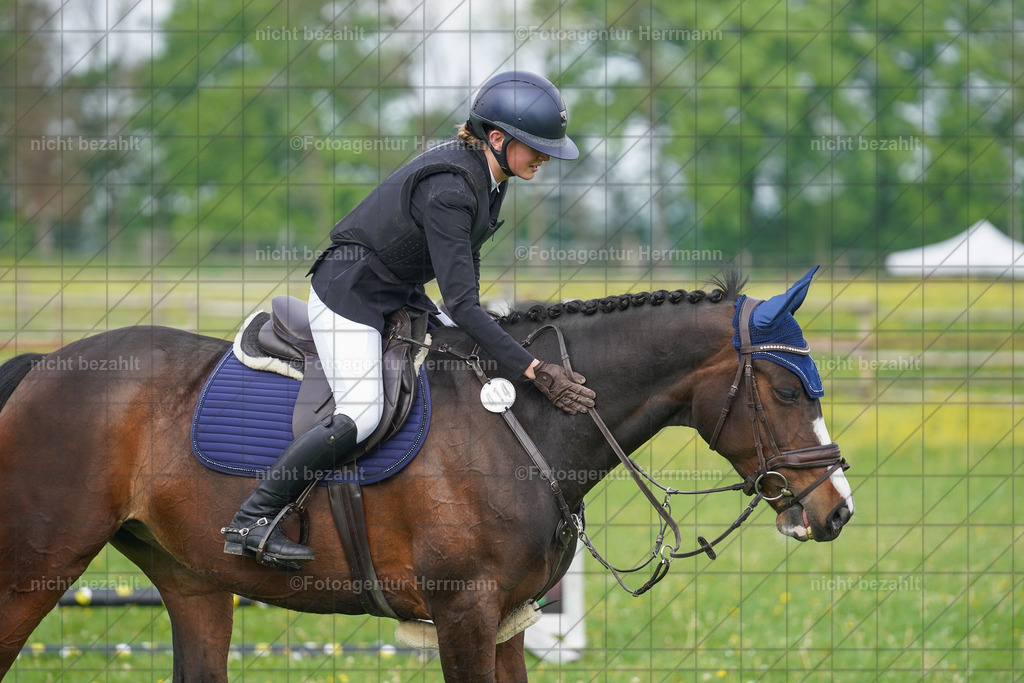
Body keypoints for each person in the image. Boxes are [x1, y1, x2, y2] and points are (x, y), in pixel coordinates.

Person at [221, 71, 596, 569]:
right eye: (535, 145)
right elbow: (462, 305)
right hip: (349, 295)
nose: (545, 155)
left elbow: (466, 286)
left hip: (398, 293)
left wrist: (493, 335)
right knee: (364, 412)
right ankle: (254, 517)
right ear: (498, 139)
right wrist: (533, 370)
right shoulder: (451, 188)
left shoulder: (489, 178)